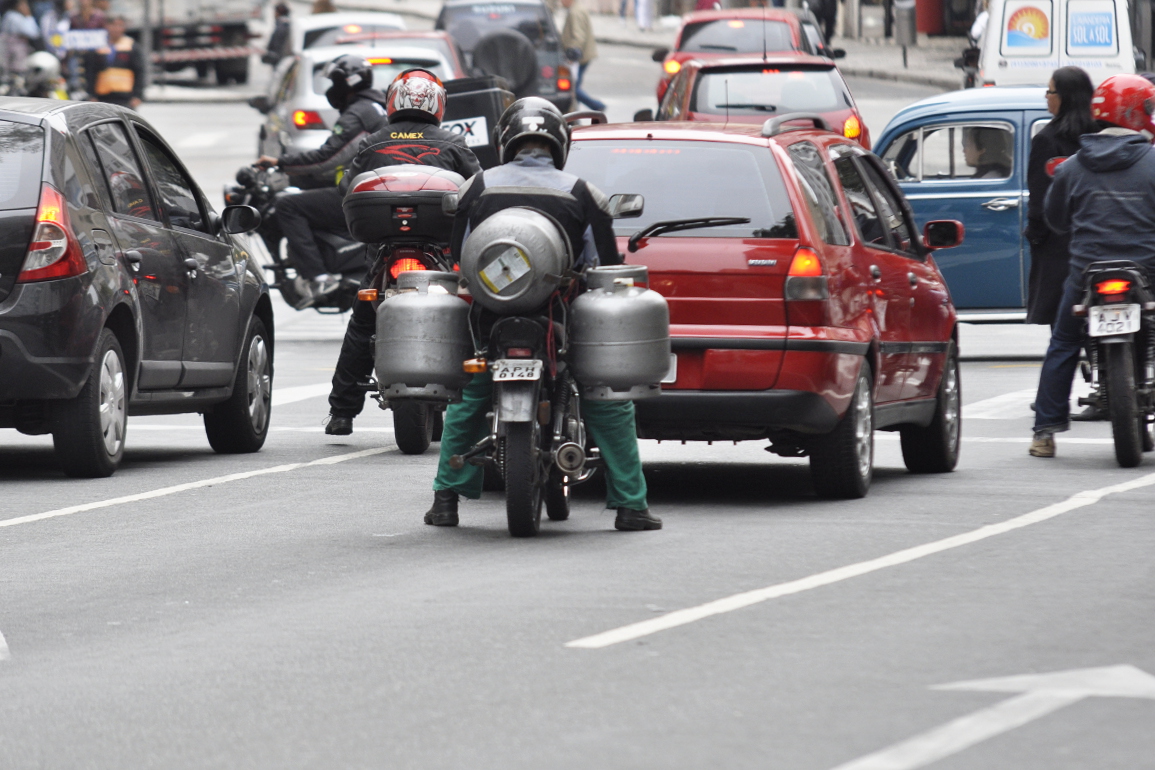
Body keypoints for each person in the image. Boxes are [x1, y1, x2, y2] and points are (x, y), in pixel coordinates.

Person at [423, 97, 662, 532]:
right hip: (559, 315)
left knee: (471, 396)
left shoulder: (478, 185)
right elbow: (603, 262)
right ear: (559, 144)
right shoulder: (580, 191)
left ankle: (445, 501)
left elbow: (460, 254)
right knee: (604, 398)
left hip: (490, 313)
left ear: (506, 141)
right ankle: (631, 506)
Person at [324, 69, 482, 435]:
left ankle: (342, 412)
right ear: (437, 104)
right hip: (439, 250)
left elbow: (345, 192)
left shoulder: (373, 143)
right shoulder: (453, 142)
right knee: (470, 317)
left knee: (363, 322)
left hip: (385, 250)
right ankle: (477, 404)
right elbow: (479, 192)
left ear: (393, 100)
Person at [1029, 74, 1155, 458]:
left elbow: (1054, 218)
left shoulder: (1071, 167)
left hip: (1087, 273)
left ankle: (1044, 432)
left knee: (1064, 342)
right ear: (1135, 114)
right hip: (1146, 273)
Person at [256, 54, 390, 308]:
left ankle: (318, 276)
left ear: (346, 84)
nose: (331, 90)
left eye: (335, 83)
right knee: (308, 197)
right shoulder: (378, 106)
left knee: (289, 206)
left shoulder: (358, 113)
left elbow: (328, 157)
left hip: (363, 196)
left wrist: (280, 163)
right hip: (377, 188)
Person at [1026, 67, 1096, 328]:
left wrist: (1035, 235)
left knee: (1063, 339)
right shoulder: (1100, 134)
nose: (1046, 96)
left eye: (1050, 91)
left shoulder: (1046, 140)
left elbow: (1039, 202)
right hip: (1101, 242)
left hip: (1061, 251)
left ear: (1065, 96)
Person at [85, 15, 144, 108]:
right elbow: (90, 72)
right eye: (113, 25)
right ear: (107, 26)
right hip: (102, 96)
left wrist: (138, 95)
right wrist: (91, 95)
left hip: (125, 97)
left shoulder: (131, 46)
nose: (116, 29)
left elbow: (139, 72)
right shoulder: (98, 47)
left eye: (120, 25)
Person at [560, 0, 606, 112]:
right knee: (574, 87)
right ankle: (577, 111)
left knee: (573, 88)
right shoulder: (577, 9)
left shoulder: (575, 12)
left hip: (580, 57)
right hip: (583, 55)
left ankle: (597, 106)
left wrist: (572, 56)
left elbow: (579, 36)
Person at [1, 0, 41, 81]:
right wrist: (29, 16)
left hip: (14, 54)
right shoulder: (13, 16)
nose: (26, 7)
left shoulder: (10, 15)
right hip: (13, 54)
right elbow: (34, 33)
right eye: (23, 4)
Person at [262, 2, 290, 67]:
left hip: (279, 58)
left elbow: (276, 43)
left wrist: (270, 51)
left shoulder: (281, 25)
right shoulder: (288, 23)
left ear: (277, 13)